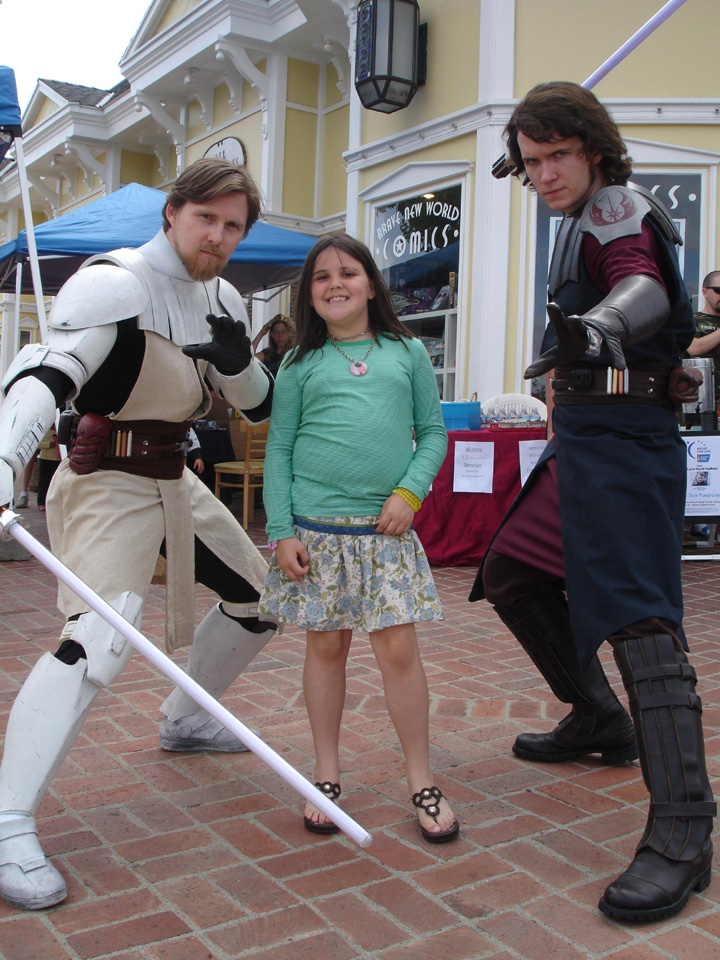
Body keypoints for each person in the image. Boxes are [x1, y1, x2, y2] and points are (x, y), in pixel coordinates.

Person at [0, 157, 277, 910]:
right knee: (97, 637)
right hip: (105, 480)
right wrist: (7, 457)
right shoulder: (114, 282)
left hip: (173, 477)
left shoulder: (222, 297)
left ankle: (186, 720)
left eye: (233, 226)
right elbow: (46, 374)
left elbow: (258, 406)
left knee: (264, 600)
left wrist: (241, 364)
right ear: (172, 213)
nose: (218, 236)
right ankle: (9, 820)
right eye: (206, 218)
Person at [470, 82, 715, 922]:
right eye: (531, 162)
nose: (544, 174)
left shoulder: (616, 205)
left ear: (596, 150)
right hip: (584, 440)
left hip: (624, 442)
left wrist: (604, 325)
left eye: (558, 156)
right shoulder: (576, 211)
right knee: (514, 574)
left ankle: (684, 829)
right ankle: (599, 717)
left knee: (641, 622)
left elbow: (640, 284)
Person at [259, 234, 459, 844]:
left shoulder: (407, 352)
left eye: (347, 273)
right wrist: (281, 531)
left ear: (371, 284)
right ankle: (325, 773)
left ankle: (422, 779)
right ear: (308, 294)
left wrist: (409, 494)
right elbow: (280, 449)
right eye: (321, 277)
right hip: (316, 534)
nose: (335, 284)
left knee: (399, 652)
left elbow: (432, 433)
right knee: (325, 650)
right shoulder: (298, 364)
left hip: (385, 531)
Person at [686, 270, 720, 407]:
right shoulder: (693, 319)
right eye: (718, 290)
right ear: (705, 292)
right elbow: (694, 348)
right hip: (701, 398)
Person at [35, 425, 61, 511]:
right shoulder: (45, 430)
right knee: (44, 482)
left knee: (54, 482)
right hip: (45, 458)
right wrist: (49, 444)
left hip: (57, 459)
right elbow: (39, 444)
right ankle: (41, 502)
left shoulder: (60, 430)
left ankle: (53, 501)